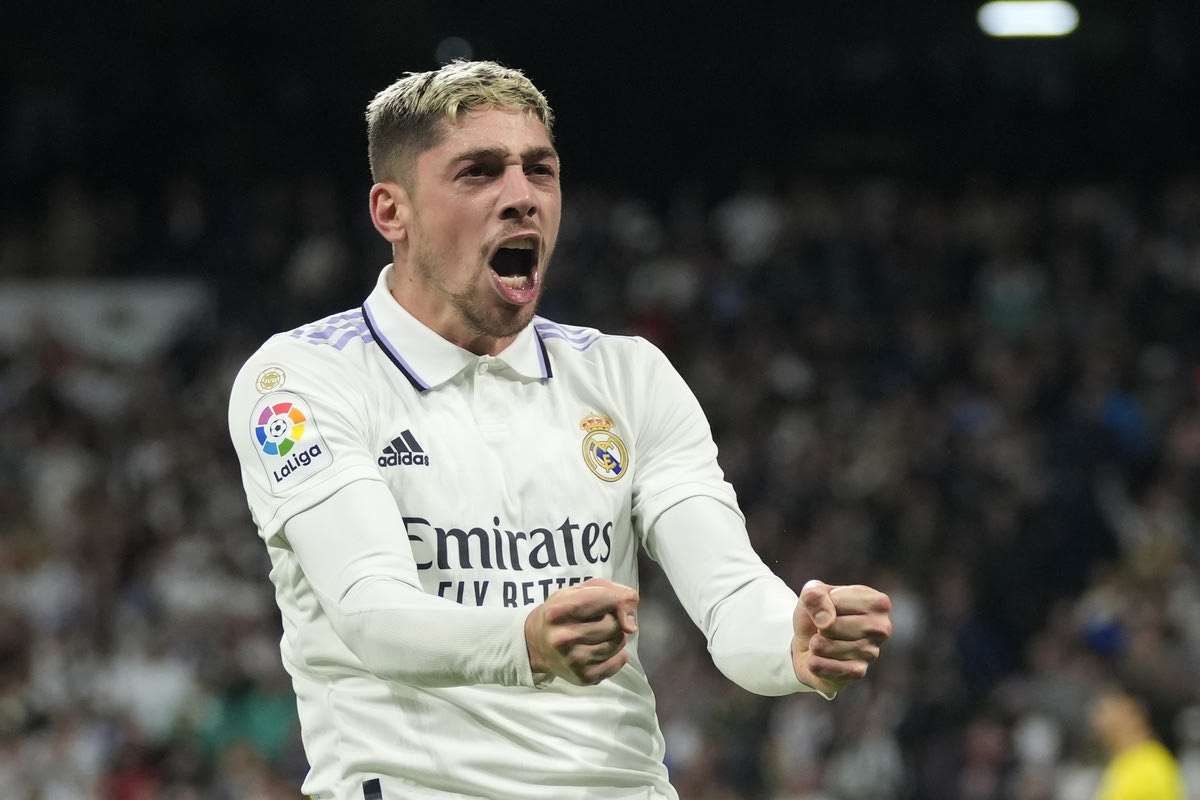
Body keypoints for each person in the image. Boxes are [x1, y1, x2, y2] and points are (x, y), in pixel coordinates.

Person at [227, 59, 893, 800]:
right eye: (479, 173)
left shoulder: (627, 375)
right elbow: (371, 611)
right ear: (392, 212)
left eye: (539, 171)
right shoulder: (301, 379)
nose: (522, 197)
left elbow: (733, 596)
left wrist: (790, 639)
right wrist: (526, 641)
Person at [1089, 686, 1184, 800]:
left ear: (1133, 710)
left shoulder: (1150, 768)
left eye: (1107, 706)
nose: (1097, 716)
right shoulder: (1123, 763)